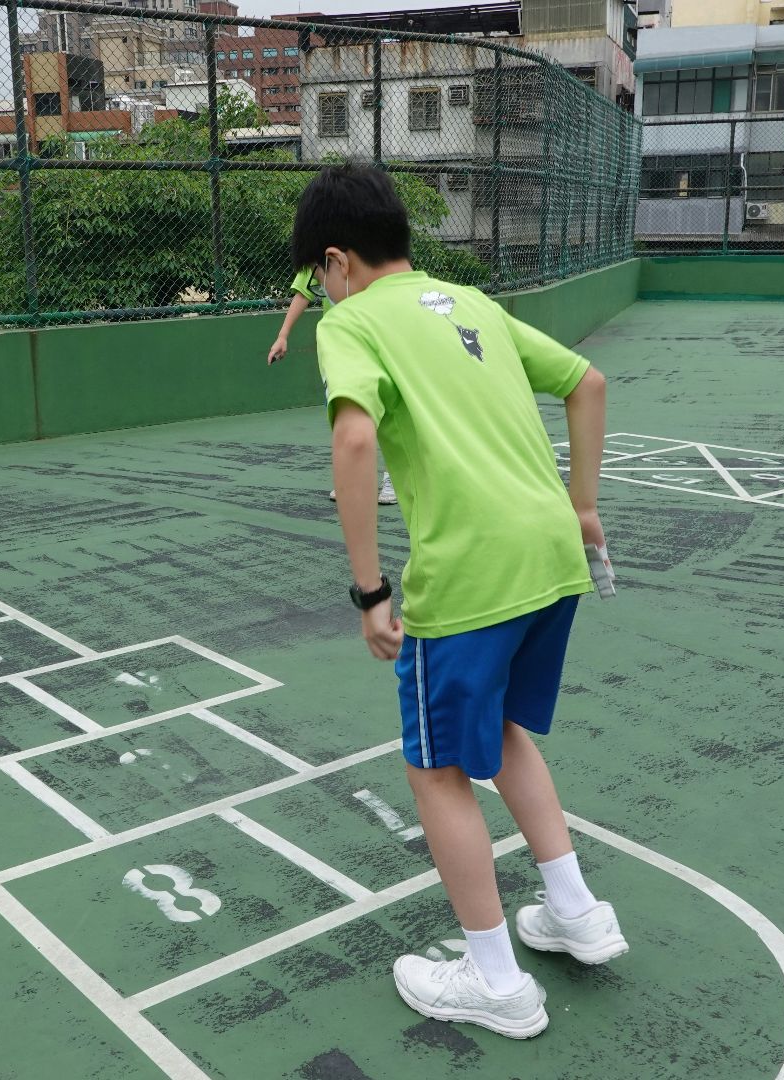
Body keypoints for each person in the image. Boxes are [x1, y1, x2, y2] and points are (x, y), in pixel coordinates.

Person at [297, 164, 622, 1039]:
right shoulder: (471, 299)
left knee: (436, 768)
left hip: (471, 576)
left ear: (337, 261)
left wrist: (369, 589)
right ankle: (577, 914)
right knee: (506, 730)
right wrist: (583, 506)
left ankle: (497, 984)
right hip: (553, 556)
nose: (322, 291)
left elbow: (355, 435)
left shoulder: (352, 320)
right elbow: (586, 382)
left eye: (318, 277)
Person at [269, 263, 398, 505]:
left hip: (370, 338)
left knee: (381, 409)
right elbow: (302, 293)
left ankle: (393, 477)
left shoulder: (365, 251)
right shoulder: (315, 253)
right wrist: (283, 335)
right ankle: (352, 479)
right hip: (336, 342)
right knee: (343, 409)